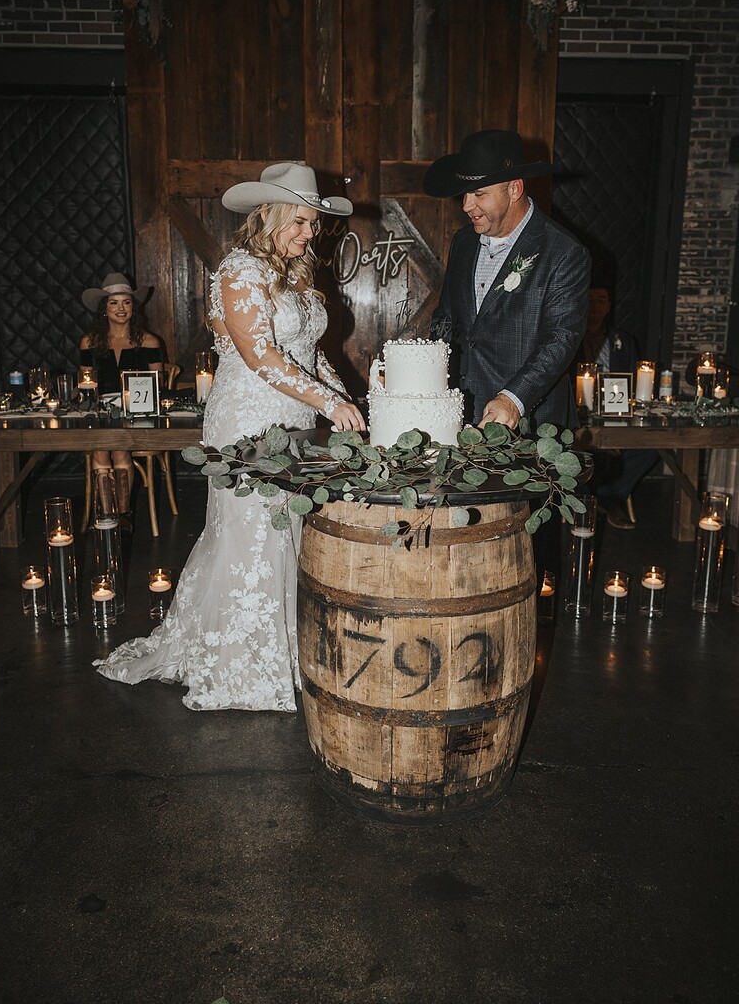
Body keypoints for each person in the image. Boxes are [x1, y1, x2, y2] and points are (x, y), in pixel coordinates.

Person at [95, 162, 365, 712]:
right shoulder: (238, 270)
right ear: (268, 214)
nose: (309, 233)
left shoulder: (296, 273)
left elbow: (310, 354)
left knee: (288, 533)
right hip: (247, 421)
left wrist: (349, 397)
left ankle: (287, 651)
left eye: (313, 223)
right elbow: (259, 353)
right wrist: (328, 402)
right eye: (299, 222)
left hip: (293, 421)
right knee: (250, 535)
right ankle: (240, 665)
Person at [426, 129, 591, 429]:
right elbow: (446, 318)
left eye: (479, 194)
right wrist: (422, 373)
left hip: (532, 426)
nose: (466, 205)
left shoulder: (564, 252)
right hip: (460, 418)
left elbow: (561, 339)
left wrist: (513, 399)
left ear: (514, 189)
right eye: (465, 194)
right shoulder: (463, 242)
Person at [80, 273, 163, 520]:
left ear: (133, 307)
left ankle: (123, 516)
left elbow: (157, 385)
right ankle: (108, 515)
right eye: (114, 302)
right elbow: (84, 384)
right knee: (100, 450)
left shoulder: (149, 342)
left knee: (118, 450)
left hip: (138, 414)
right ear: (104, 309)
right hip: (101, 412)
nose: (121, 308)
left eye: (126, 302)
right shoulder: (89, 342)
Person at [576, 282, 659, 529]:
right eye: (590, 300)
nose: (595, 306)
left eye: (601, 301)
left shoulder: (623, 340)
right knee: (574, 450)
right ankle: (585, 501)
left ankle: (610, 496)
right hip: (579, 414)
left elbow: (632, 382)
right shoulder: (570, 337)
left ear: (609, 307)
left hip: (615, 411)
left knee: (652, 447)